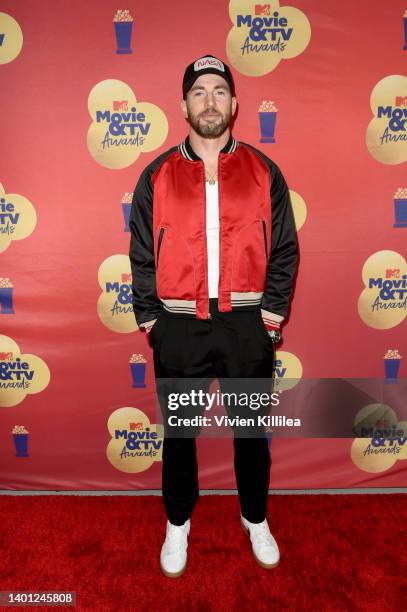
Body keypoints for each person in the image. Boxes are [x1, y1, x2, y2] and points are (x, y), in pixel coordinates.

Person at [129, 54, 298, 577]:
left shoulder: (264, 171)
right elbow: (140, 252)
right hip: (179, 326)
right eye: (199, 91)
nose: (210, 100)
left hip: (247, 326)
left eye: (219, 91)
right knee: (179, 435)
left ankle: (256, 518)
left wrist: (269, 318)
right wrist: (154, 322)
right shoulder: (156, 175)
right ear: (184, 105)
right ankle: (177, 522)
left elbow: (285, 250)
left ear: (234, 105)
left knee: (251, 432)